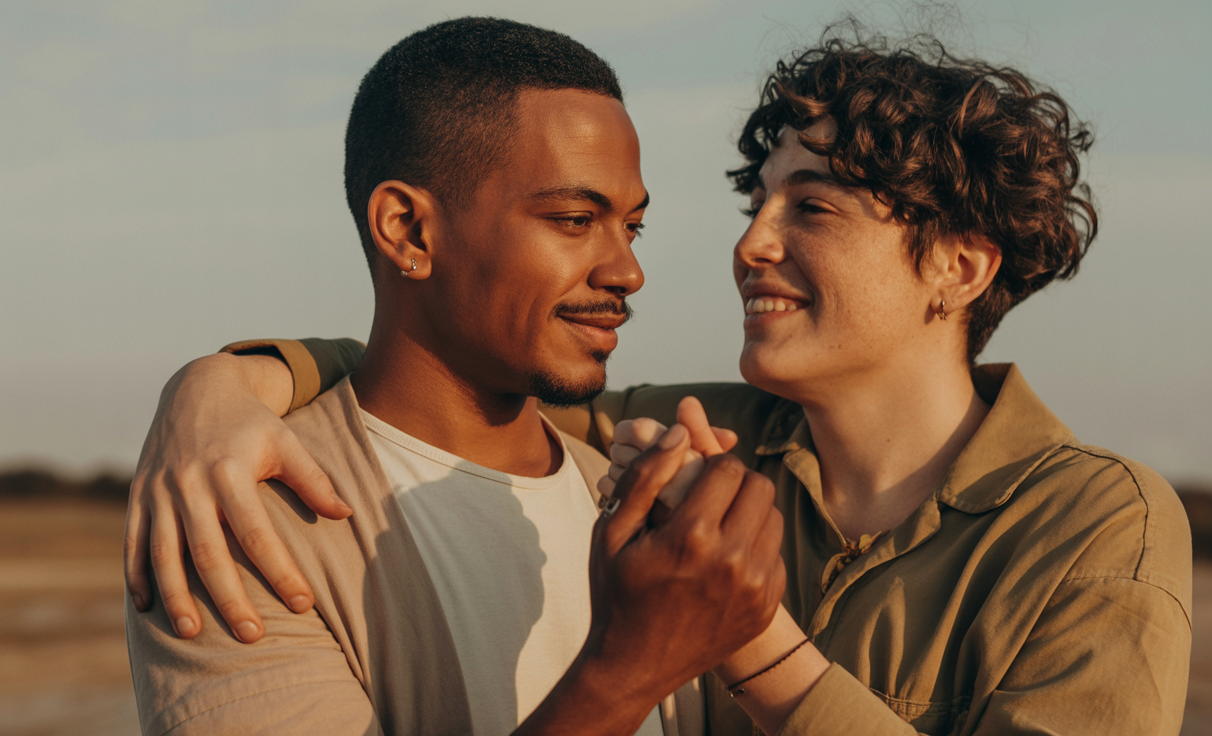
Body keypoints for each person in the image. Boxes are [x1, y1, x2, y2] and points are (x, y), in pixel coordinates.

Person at [127, 26, 1194, 736]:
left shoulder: (1094, 523)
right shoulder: (661, 452)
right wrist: (221, 384)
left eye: (810, 207)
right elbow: (432, 376)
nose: (746, 247)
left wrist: (760, 650)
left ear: (958, 266)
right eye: (755, 206)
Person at [122, 18, 787, 736]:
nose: (627, 270)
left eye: (632, 226)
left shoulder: (631, 498)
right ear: (407, 230)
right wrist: (629, 671)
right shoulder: (243, 517)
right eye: (572, 218)